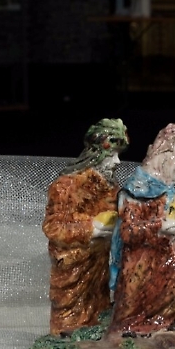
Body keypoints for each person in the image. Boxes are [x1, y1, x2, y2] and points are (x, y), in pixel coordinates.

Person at [42, 118, 129, 336]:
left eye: (119, 155)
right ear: (95, 153)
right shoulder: (66, 186)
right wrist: (91, 228)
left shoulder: (111, 188)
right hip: (73, 268)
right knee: (70, 319)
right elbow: (53, 226)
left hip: (99, 267)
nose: (117, 161)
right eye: (111, 155)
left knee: (97, 311)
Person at [108, 123, 175, 335]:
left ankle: (160, 321)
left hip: (166, 256)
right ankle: (130, 326)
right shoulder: (139, 189)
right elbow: (129, 232)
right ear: (166, 155)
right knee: (137, 283)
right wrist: (159, 226)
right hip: (140, 258)